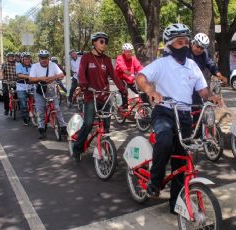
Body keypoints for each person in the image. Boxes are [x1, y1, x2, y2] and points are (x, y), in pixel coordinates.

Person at [135, 23, 220, 214]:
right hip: (164, 111)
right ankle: (155, 182)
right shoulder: (161, 63)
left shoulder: (192, 66)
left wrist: (210, 97)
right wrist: (150, 90)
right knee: (164, 141)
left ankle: (176, 203)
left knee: (182, 160)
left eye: (185, 42)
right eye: (179, 42)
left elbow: (202, 89)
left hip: (184, 115)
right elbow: (140, 77)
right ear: (170, 45)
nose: (184, 45)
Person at [72, 32, 128, 162]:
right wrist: (84, 85)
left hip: (104, 97)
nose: (104, 44)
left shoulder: (107, 60)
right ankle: (77, 148)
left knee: (107, 126)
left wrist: (122, 89)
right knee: (88, 123)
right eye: (102, 41)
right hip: (91, 96)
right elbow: (81, 74)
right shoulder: (86, 58)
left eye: (105, 42)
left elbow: (114, 76)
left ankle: (106, 150)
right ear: (94, 43)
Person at [188, 32, 227, 123]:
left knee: (198, 108)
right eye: (197, 47)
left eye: (202, 48)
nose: (199, 50)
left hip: (197, 84)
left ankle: (198, 132)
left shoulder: (204, 53)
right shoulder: (186, 52)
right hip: (184, 83)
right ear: (193, 43)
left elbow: (211, 64)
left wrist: (220, 76)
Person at [28, 50, 67, 139]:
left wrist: (52, 78)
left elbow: (61, 75)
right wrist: (41, 78)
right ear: (39, 59)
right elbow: (31, 79)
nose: (44, 60)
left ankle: (63, 127)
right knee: (40, 110)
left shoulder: (53, 65)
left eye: (46, 58)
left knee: (57, 108)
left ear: (48, 58)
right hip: (39, 90)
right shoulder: (35, 66)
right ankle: (41, 128)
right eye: (42, 58)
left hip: (51, 89)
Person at [15, 52, 33, 126]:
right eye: (25, 59)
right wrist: (29, 77)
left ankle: (34, 113)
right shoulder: (19, 65)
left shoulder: (33, 66)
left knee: (36, 102)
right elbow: (19, 75)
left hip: (31, 86)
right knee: (23, 104)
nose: (27, 60)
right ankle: (25, 119)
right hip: (21, 87)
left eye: (28, 59)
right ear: (22, 59)